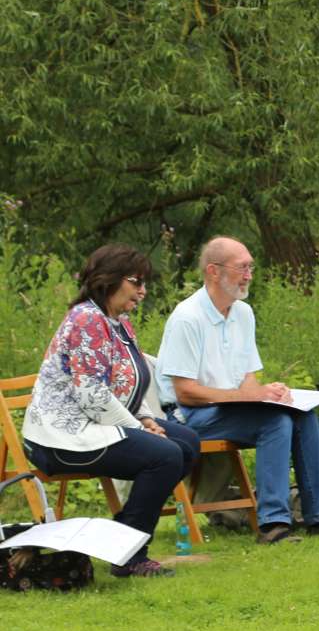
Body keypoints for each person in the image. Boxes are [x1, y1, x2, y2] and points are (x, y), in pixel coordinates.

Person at [23, 245, 201, 578]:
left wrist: (146, 418)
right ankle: (129, 554)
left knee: (188, 443)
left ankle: (121, 535)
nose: (143, 291)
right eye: (137, 282)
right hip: (62, 437)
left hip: (99, 424)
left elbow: (128, 382)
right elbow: (91, 395)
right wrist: (138, 426)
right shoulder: (87, 319)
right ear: (110, 280)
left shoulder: (118, 322)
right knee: (165, 455)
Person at [156, 236, 319, 543]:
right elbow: (185, 392)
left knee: (301, 415)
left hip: (226, 410)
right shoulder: (187, 318)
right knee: (275, 422)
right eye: (242, 267)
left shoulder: (243, 313)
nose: (249, 275)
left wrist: (270, 392)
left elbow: (247, 380)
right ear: (214, 271)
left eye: (250, 267)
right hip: (186, 416)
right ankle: (273, 524)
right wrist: (249, 397)